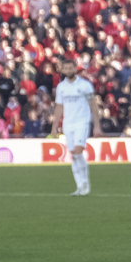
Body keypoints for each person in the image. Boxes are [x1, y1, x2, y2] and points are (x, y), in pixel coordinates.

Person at [50, 60, 102, 196]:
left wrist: (97, 126)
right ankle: (80, 186)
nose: (68, 70)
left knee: (78, 151)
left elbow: (93, 105)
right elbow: (59, 107)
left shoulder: (85, 85)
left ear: (75, 69)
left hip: (82, 122)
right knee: (73, 154)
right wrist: (54, 127)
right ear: (63, 70)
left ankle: (85, 183)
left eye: (70, 68)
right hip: (68, 124)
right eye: (65, 68)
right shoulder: (61, 87)